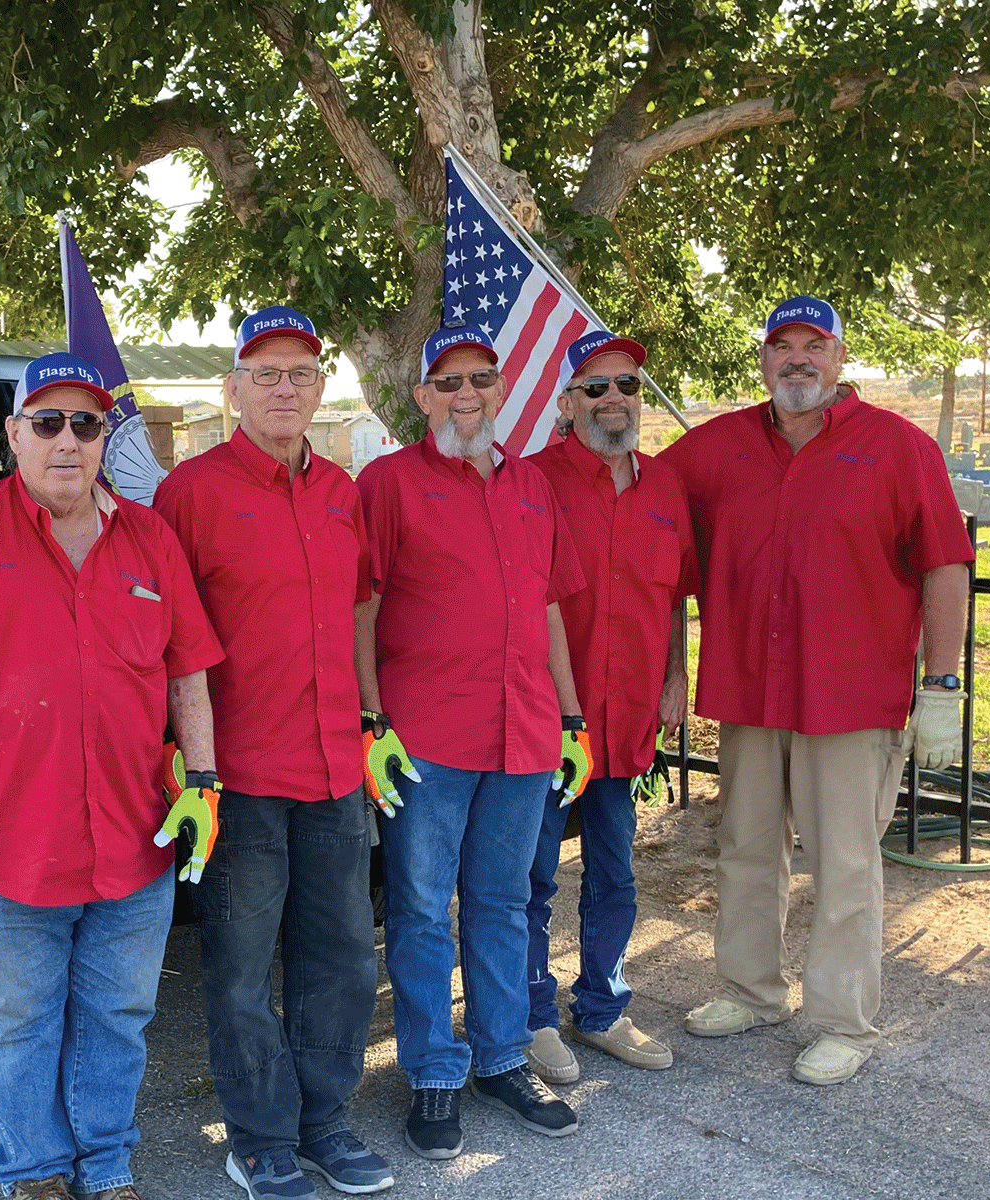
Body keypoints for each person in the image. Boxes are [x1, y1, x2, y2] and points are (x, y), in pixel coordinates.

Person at [0, 352, 224, 1200]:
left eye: (87, 424)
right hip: (3, 846)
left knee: (117, 1019)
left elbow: (187, 676)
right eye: (48, 423)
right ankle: (34, 1173)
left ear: (106, 437)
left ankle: (106, 1169)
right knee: (13, 1024)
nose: (67, 441)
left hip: (133, 842)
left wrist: (204, 782)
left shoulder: (150, 538)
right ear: (13, 434)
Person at [658, 296, 972, 1086]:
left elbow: (945, 564)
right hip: (751, 689)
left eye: (814, 345)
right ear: (762, 359)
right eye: (781, 345)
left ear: (839, 358)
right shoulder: (717, 447)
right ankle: (750, 990)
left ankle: (841, 1021)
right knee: (747, 851)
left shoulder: (899, 447)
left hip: (850, 692)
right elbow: (638, 495)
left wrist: (942, 682)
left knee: (845, 863)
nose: (797, 358)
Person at [152, 307, 394, 1200]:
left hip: (336, 769)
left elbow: (362, 609)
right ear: (233, 391)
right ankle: (259, 1134)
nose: (284, 387)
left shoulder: (341, 491)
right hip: (241, 776)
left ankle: (325, 1119)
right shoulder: (191, 494)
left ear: (321, 387)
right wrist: (183, 757)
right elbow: (168, 638)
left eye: (299, 371)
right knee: (245, 965)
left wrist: (373, 718)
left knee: (340, 955)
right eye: (266, 373)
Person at [353, 325, 588, 1162]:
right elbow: (362, 604)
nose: (467, 393)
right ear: (422, 396)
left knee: (503, 902)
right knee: (420, 909)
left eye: (481, 378)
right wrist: (371, 717)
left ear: (500, 388)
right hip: (427, 738)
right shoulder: (387, 484)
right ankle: (433, 1069)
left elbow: (551, 605)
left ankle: (500, 1056)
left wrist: (571, 716)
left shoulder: (532, 487)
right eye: (448, 380)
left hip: (523, 734)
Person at [524, 330, 699, 1083]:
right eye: (596, 386)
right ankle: (529, 1016)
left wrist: (675, 679)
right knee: (528, 876)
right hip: (545, 722)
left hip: (625, 714)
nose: (614, 399)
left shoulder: (664, 489)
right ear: (568, 402)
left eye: (626, 384)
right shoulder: (530, 481)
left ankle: (600, 1006)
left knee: (614, 871)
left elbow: (672, 597)